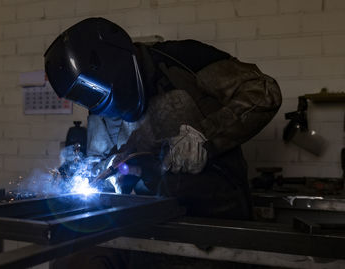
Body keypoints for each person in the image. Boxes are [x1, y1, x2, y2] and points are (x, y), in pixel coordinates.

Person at [44, 17, 281, 220]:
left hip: (218, 222)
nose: (96, 107)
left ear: (112, 68)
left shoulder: (182, 59)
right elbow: (105, 166)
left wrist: (206, 137)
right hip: (149, 224)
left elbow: (264, 92)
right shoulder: (98, 105)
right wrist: (95, 171)